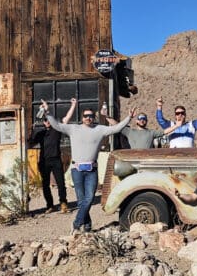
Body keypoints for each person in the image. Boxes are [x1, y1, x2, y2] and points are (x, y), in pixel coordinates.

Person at [43, 98, 135, 234]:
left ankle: (76, 224)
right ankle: (87, 226)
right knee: (82, 201)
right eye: (86, 116)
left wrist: (129, 118)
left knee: (89, 198)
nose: (88, 118)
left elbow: (116, 128)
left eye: (91, 116)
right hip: (77, 170)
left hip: (92, 170)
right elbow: (57, 125)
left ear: (94, 118)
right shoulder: (73, 128)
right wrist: (48, 112)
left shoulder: (99, 129)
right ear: (82, 118)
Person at [29, 103, 74, 214]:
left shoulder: (57, 131)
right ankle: (50, 205)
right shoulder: (40, 133)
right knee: (45, 184)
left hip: (56, 159)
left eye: (48, 120)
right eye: (45, 120)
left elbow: (65, 120)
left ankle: (63, 203)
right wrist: (30, 130)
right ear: (43, 122)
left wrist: (73, 105)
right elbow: (30, 143)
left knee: (60, 183)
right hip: (44, 161)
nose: (47, 122)